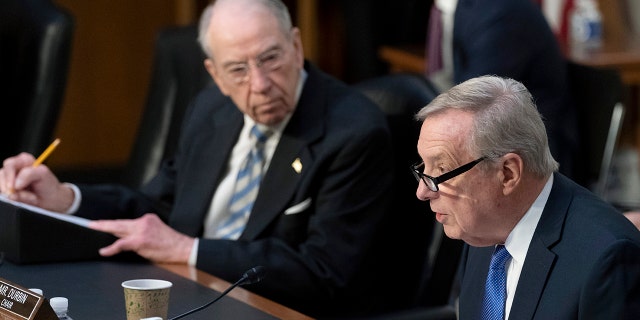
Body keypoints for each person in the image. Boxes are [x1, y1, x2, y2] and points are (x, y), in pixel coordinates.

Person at [0, 0, 406, 317]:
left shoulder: (353, 132)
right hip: (179, 291)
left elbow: (322, 272)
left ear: (297, 46)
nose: (260, 84)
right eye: (238, 70)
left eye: (270, 58)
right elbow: (156, 206)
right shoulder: (212, 109)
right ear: (215, 74)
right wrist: (64, 199)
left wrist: (186, 249)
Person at [411, 75, 640, 319]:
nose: (422, 191)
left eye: (442, 170)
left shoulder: (606, 262)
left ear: (508, 173)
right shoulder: (481, 230)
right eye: (423, 168)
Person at [425, 0, 578, 178]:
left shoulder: (503, 13)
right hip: (492, 133)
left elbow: (477, 101)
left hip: (533, 149)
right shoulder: (469, 6)